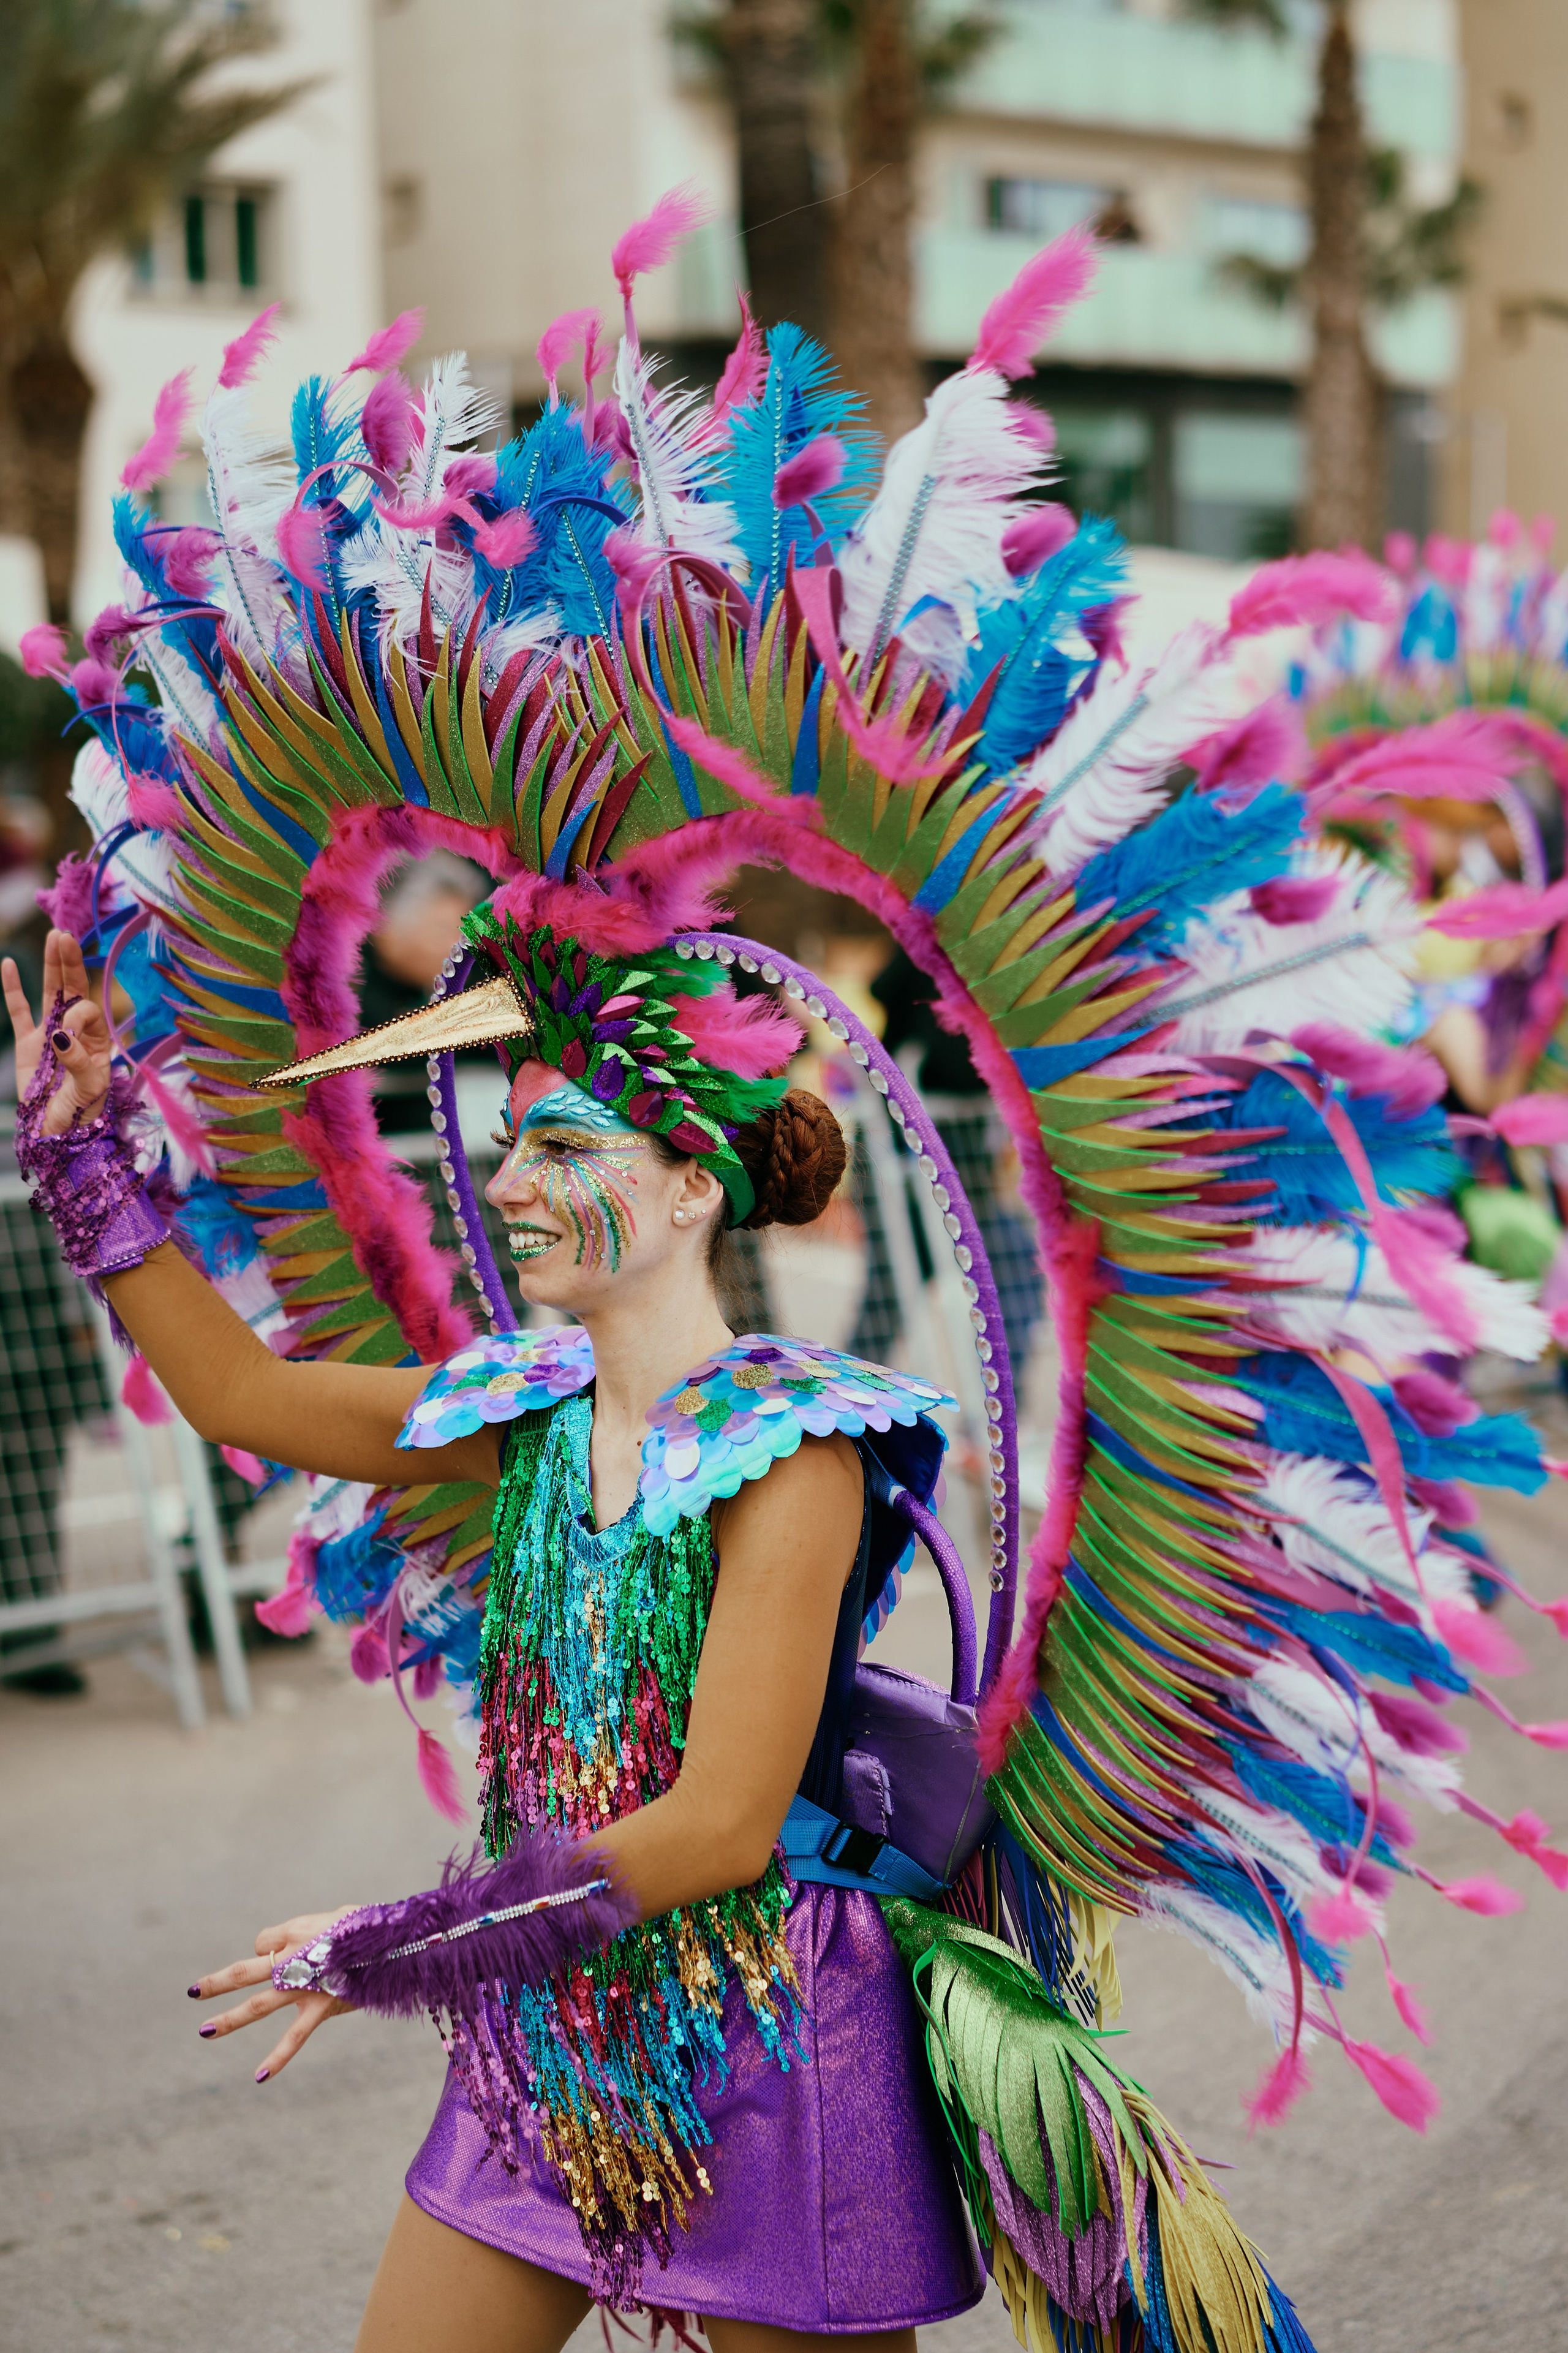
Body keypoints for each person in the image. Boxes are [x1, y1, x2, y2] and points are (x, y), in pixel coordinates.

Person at [7, 920, 984, 2347]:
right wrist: (85, 1162)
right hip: (546, 2009)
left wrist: (395, 1942)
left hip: (763, 2032)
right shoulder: (527, 1413)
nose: (509, 1180)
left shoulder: (795, 1458)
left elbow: (716, 1827)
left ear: (692, 1189)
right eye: (511, 1141)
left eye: (565, 1148)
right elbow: (239, 1397)